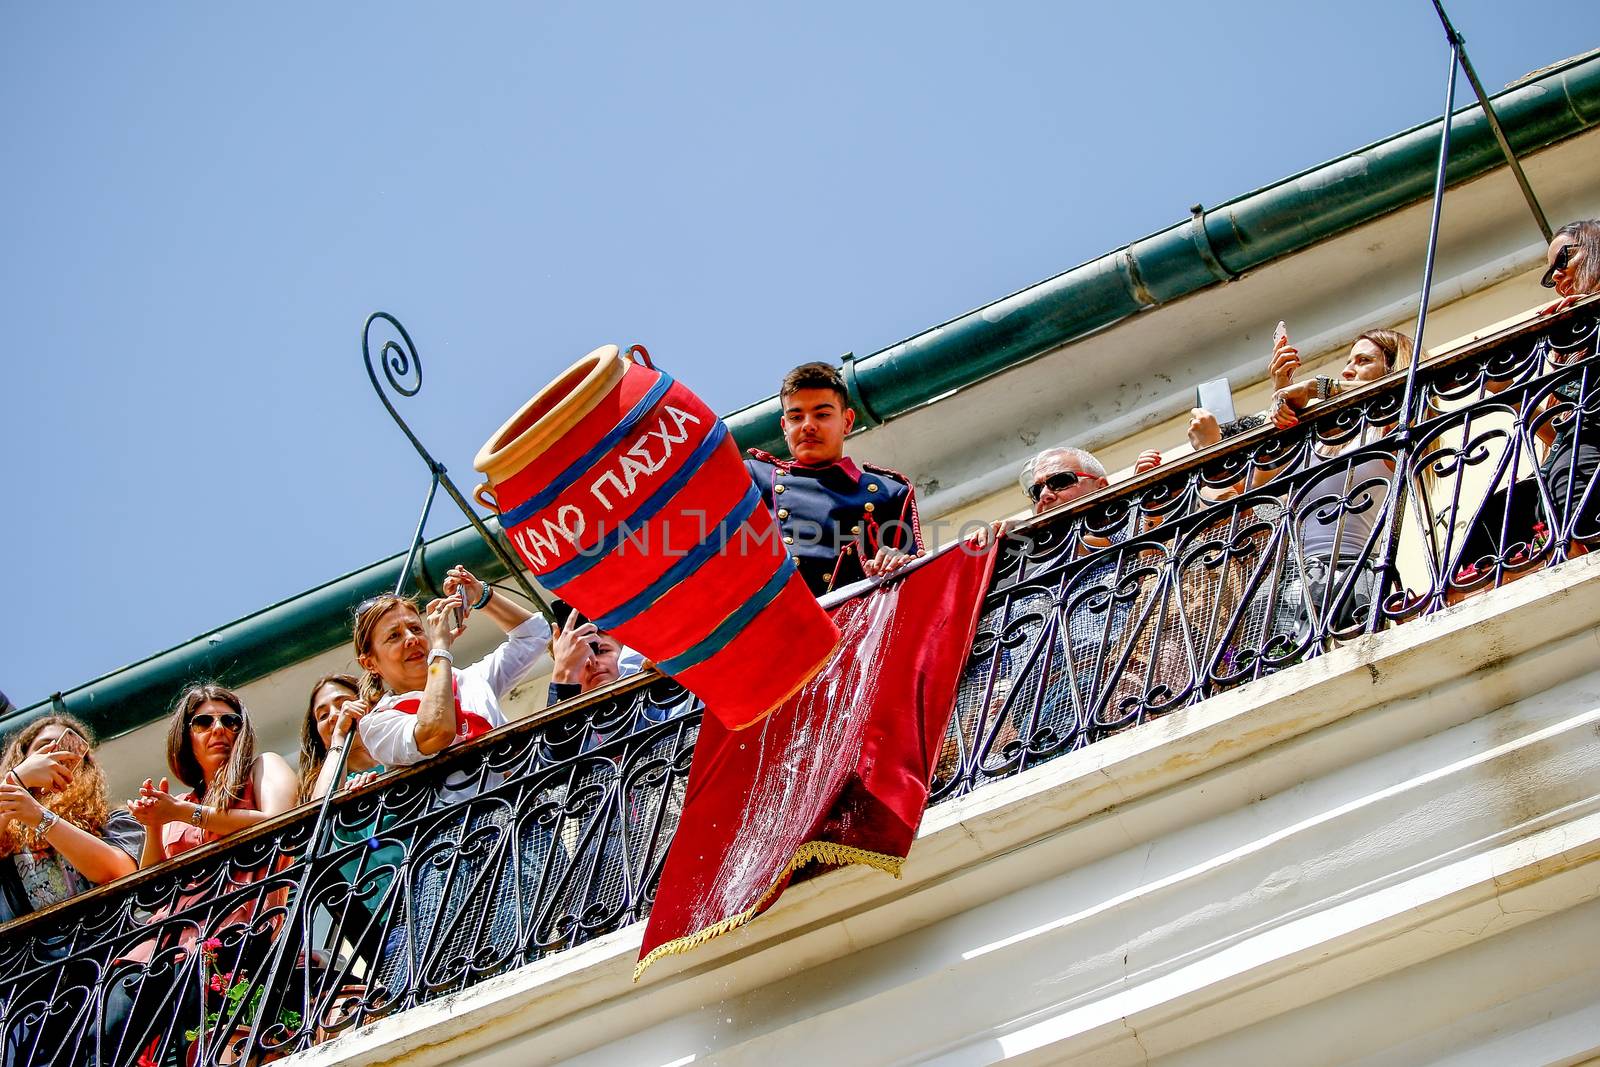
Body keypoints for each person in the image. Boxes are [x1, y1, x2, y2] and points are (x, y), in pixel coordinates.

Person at [354, 565, 550, 777]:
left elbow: (535, 635)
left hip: (521, 801)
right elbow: (437, 731)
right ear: (369, 663)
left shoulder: (470, 680)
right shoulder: (378, 723)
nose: (411, 639)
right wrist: (439, 649)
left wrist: (481, 595)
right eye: (394, 636)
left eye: (416, 629)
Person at [745, 362, 923, 596]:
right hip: (776, 620)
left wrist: (897, 562)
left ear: (847, 421)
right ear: (784, 427)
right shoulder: (754, 479)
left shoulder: (888, 492)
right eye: (796, 417)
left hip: (855, 624)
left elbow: (915, 584)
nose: (808, 425)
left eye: (822, 414)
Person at [127, 685, 298, 865]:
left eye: (230, 721)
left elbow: (280, 824)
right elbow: (151, 889)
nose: (218, 728)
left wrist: (181, 811)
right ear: (186, 737)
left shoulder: (265, 766)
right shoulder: (176, 806)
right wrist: (153, 825)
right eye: (203, 722)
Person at [0, 715, 140, 923]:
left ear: (84, 769)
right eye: (44, 746)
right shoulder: (8, 833)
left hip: (108, 948)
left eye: (69, 750)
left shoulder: (111, 819)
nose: (55, 753)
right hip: (29, 954)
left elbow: (121, 871)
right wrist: (17, 779)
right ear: (24, 758)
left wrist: (40, 817)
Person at [298, 674, 384, 802]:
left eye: (344, 703)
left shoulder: (398, 756)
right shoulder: (325, 784)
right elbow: (320, 807)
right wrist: (338, 735)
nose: (334, 716)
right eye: (323, 715)